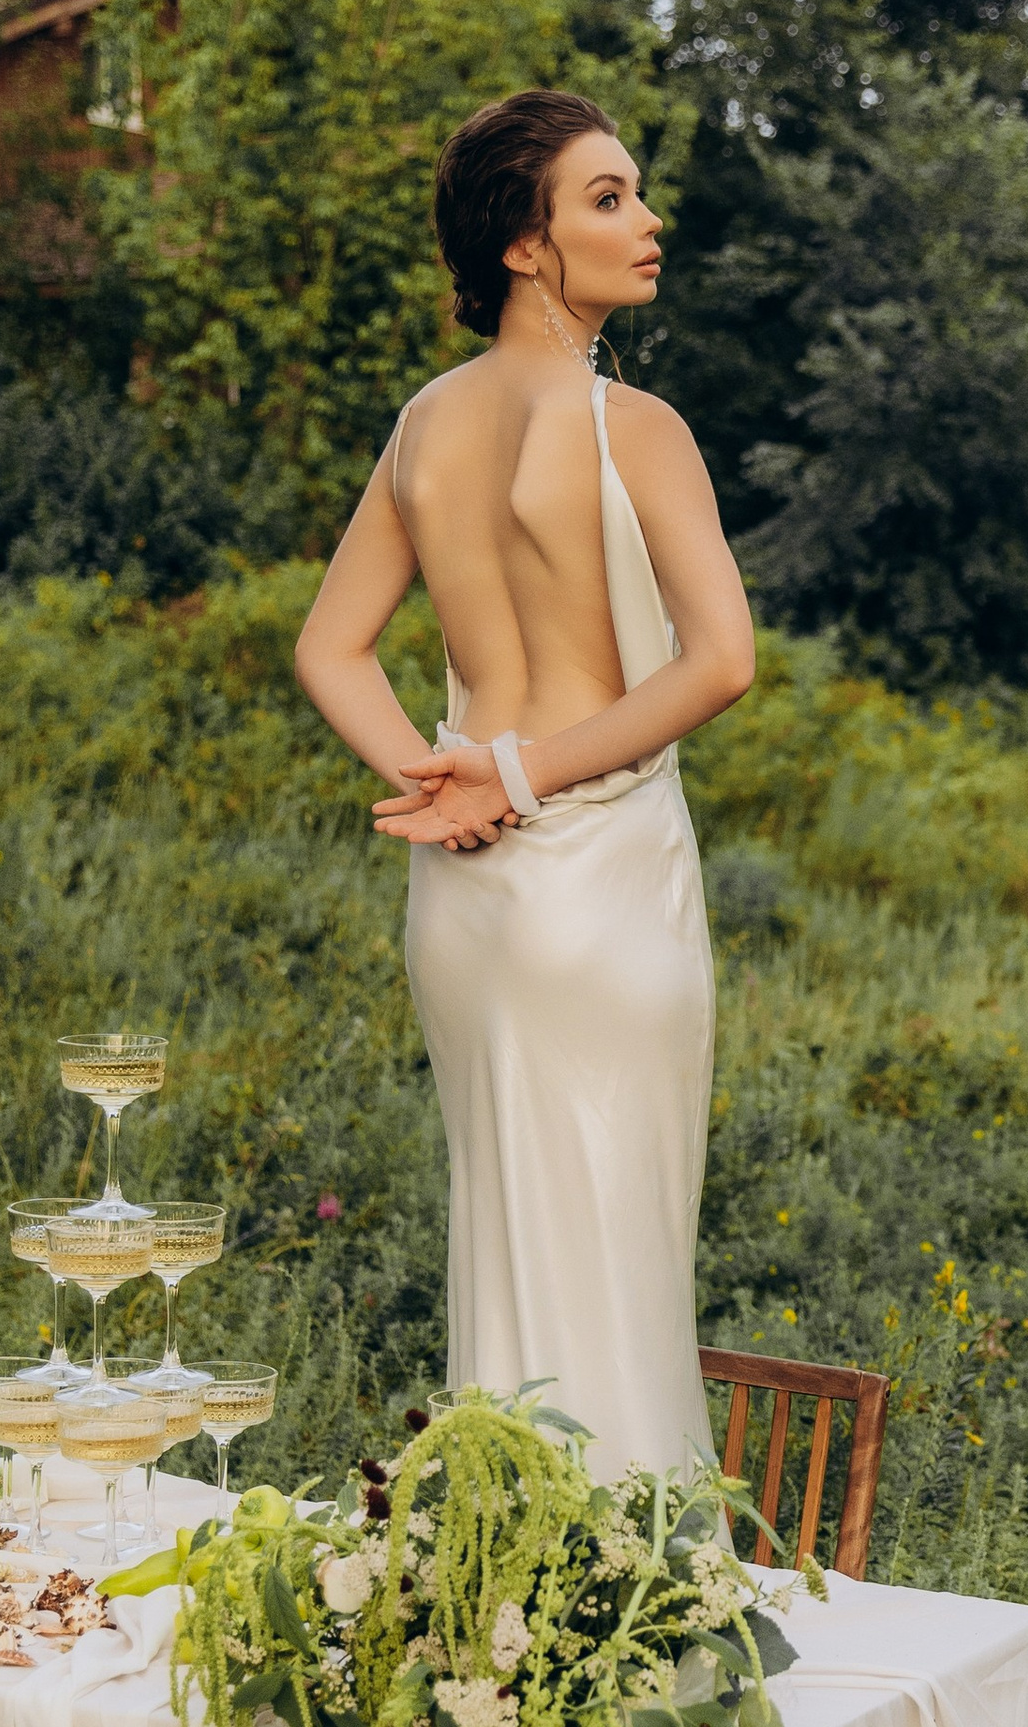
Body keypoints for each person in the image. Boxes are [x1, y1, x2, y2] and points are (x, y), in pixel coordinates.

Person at [294, 91, 755, 1481]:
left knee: (506, 1244)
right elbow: (721, 663)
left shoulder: (424, 427)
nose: (646, 218)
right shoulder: (638, 428)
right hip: (601, 879)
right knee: (618, 1254)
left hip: (471, 897)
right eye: (607, 198)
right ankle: (630, 1610)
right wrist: (513, 769)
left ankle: (504, 1584)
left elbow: (332, 650)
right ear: (525, 244)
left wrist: (445, 781)